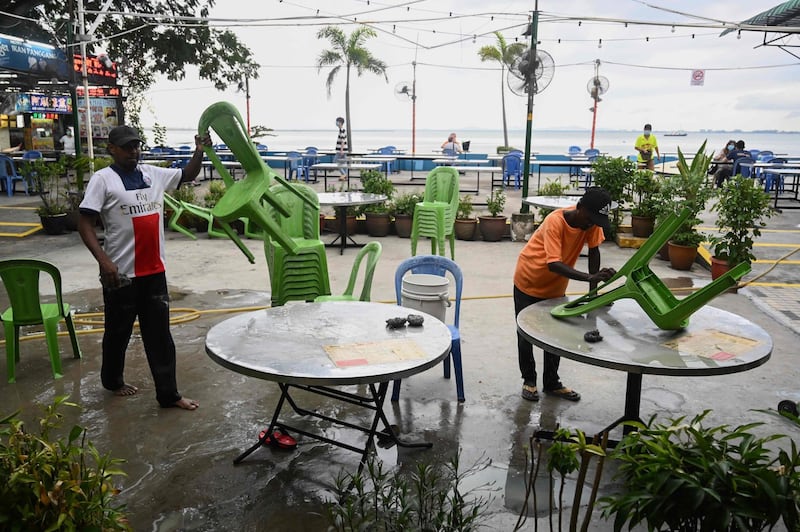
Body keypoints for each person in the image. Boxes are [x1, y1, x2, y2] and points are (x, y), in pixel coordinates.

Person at [77, 125, 210, 410]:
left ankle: (169, 395)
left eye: (136, 146)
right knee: (117, 332)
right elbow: (85, 222)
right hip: (120, 275)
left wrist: (199, 151)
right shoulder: (103, 180)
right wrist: (104, 261)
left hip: (154, 272)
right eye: (127, 147)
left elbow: (187, 175)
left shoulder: (153, 174)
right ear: (111, 149)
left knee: (160, 336)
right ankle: (112, 381)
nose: (133, 151)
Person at [513, 187, 617, 402]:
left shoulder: (590, 222)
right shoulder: (556, 221)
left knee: (554, 335)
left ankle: (552, 383)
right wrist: (590, 278)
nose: (591, 224)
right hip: (528, 279)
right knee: (526, 334)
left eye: (596, 221)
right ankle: (529, 380)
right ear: (579, 208)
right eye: (590, 218)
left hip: (555, 288)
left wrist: (593, 293)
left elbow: (594, 251)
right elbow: (554, 264)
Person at [334, 116, 347, 181]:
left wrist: (341, 150)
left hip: (341, 150)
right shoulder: (341, 130)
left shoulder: (342, 130)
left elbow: (343, 141)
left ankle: (344, 174)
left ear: (340, 123)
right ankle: (344, 176)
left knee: (336, 162)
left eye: (337, 122)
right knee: (344, 164)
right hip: (343, 150)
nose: (336, 123)